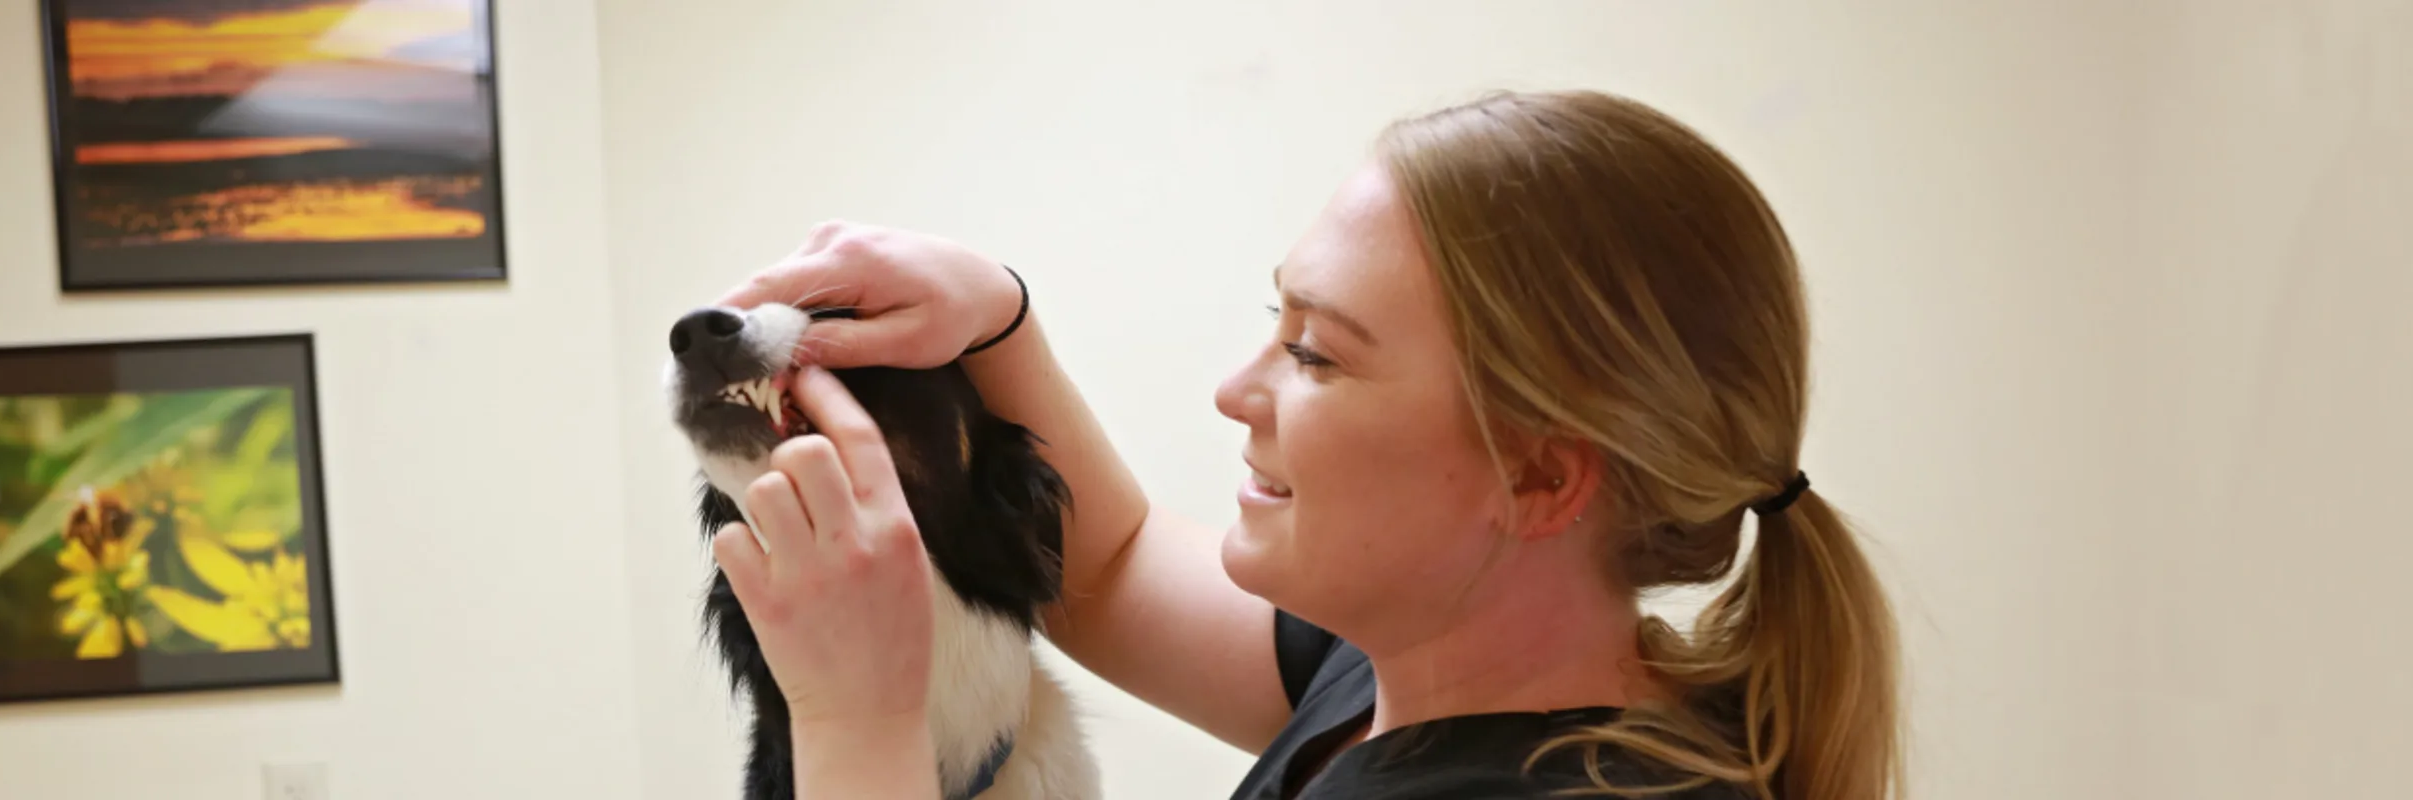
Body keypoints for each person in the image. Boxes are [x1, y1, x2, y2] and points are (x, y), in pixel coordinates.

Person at [705, 89, 1903, 800]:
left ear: (1538, 473)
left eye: (1317, 352)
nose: (1237, 390)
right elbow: (1108, 562)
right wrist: (998, 312)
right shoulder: (1403, 672)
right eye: (1269, 324)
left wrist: (860, 725)